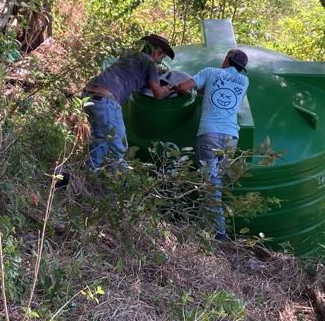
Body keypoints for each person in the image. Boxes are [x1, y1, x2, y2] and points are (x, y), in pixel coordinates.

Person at [176, 48, 250, 240]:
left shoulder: (210, 72)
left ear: (226, 59)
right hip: (231, 138)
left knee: (210, 185)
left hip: (210, 133)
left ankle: (219, 234)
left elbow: (185, 87)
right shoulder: (244, 80)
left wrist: (176, 88)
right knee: (215, 184)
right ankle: (206, 227)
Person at [82, 34, 175, 173]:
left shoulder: (130, 56)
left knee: (99, 141)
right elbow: (158, 95)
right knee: (119, 148)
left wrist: (157, 71)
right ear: (157, 52)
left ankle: (88, 177)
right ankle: (118, 190)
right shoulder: (149, 63)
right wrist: (167, 90)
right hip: (107, 101)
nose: (160, 62)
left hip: (88, 96)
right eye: (162, 57)